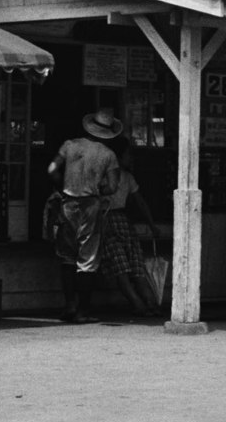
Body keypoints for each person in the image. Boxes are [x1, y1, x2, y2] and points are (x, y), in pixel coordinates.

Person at [45, 108, 124, 323]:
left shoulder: (70, 145)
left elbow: (51, 169)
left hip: (67, 203)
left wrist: (63, 186)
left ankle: (69, 305)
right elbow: (113, 186)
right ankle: (83, 310)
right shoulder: (108, 155)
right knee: (87, 258)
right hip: (91, 205)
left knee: (67, 256)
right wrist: (98, 188)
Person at [101, 141, 163, 317]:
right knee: (130, 267)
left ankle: (144, 303)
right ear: (118, 157)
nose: (131, 158)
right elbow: (140, 202)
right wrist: (151, 225)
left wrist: (152, 224)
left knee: (127, 267)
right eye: (128, 155)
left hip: (114, 220)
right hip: (116, 220)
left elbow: (140, 203)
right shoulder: (119, 177)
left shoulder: (121, 177)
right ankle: (144, 303)